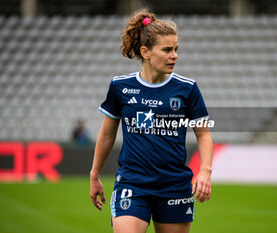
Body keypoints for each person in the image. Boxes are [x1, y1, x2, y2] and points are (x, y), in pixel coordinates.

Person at [89, 9, 213, 233]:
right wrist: (94, 173)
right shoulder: (120, 87)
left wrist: (205, 170)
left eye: (176, 49)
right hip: (132, 183)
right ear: (145, 52)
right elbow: (107, 134)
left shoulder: (187, 88)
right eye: (167, 50)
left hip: (174, 186)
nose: (174, 55)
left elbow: (203, 134)